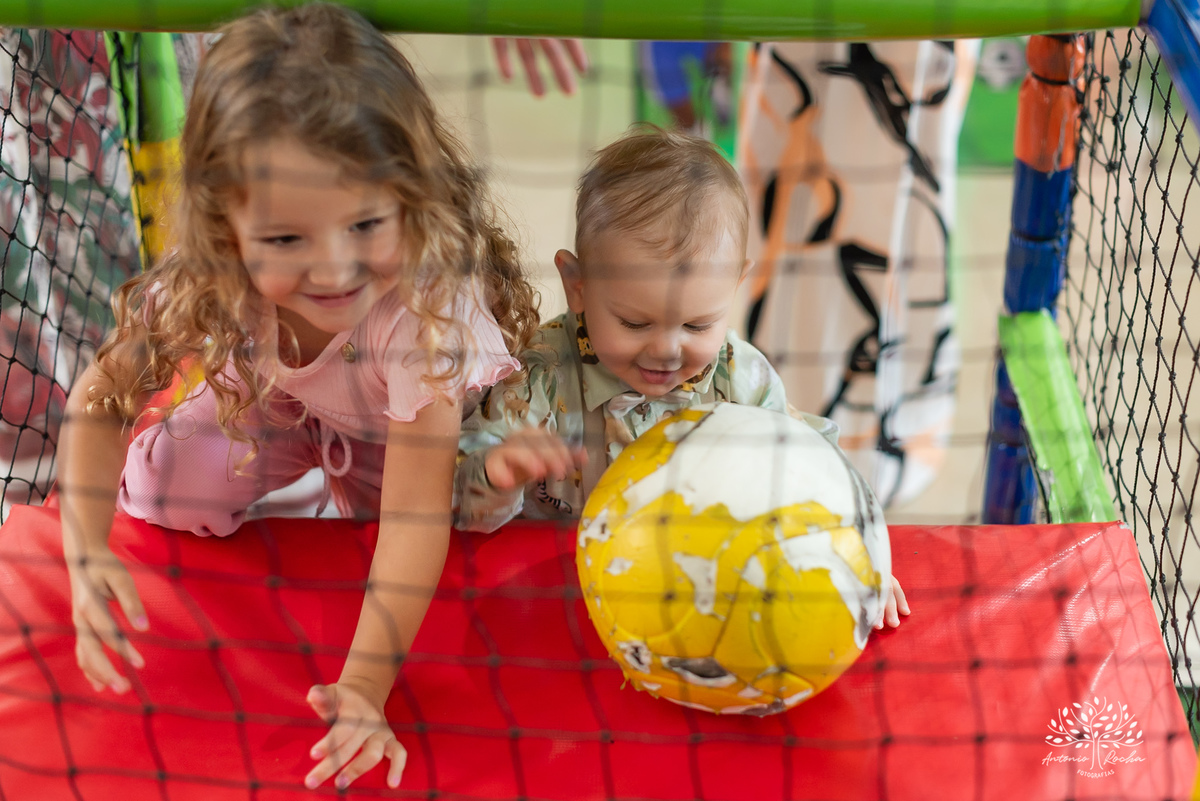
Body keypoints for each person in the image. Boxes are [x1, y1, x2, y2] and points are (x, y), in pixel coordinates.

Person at [56, 3, 537, 792]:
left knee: (436, 522)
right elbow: (102, 397)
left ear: (410, 199)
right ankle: (301, 458)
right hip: (281, 405)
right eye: (285, 240)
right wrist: (86, 553)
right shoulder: (212, 273)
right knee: (156, 487)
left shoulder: (422, 311)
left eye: (366, 224)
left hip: (397, 436)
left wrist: (363, 687)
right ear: (227, 227)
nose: (334, 269)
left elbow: (414, 521)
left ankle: (341, 479)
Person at [455, 125, 908, 627]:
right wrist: (497, 475)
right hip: (552, 602)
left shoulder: (740, 379)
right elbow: (459, 509)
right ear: (576, 286)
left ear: (736, 285)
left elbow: (818, 475)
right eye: (634, 322)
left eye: (697, 324)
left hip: (695, 600)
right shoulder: (540, 377)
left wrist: (860, 560)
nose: (667, 350)